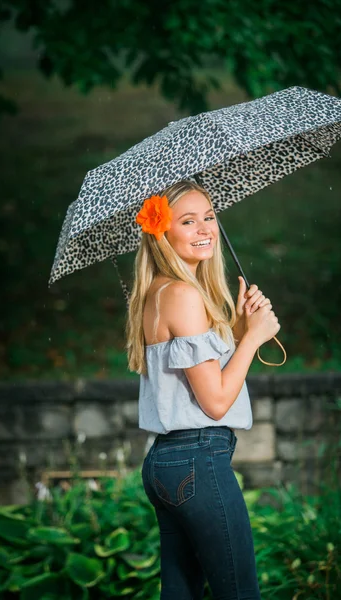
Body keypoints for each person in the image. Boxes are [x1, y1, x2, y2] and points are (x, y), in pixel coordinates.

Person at [124, 179, 280, 600]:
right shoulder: (182, 294)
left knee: (182, 594)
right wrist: (252, 339)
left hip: (167, 462)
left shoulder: (157, 292)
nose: (205, 229)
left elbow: (202, 381)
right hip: (198, 459)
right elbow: (214, 402)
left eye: (209, 217)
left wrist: (243, 327)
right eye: (188, 221)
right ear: (162, 232)